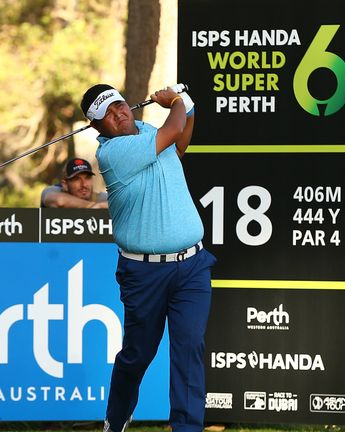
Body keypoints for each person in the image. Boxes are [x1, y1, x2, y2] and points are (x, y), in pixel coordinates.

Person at [80, 83, 215, 432]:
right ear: (97, 127)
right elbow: (174, 128)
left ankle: (187, 428)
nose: (119, 113)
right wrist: (175, 102)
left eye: (121, 105)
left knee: (189, 349)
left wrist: (187, 105)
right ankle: (117, 416)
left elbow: (181, 141)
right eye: (108, 114)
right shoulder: (113, 154)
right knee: (138, 354)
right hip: (144, 272)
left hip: (192, 266)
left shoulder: (148, 132)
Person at [40, 157, 108, 209]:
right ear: (65, 184)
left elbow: (117, 203)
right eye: (77, 179)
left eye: (87, 178)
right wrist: (94, 206)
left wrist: (100, 205)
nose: (84, 184)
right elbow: (60, 201)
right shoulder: (53, 190)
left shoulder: (99, 197)